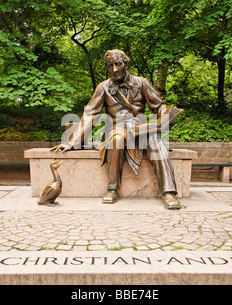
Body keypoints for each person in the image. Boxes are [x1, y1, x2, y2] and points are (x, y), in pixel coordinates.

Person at [52, 49, 182, 209]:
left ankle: (169, 193)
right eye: (110, 66)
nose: (114, 69)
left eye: (118, 64)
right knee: (116, 139)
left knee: (155, 139)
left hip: (140, 129)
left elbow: (158, 105)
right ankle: (112, 188)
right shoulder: (103, 87)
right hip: (116, 130)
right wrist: (73, 142)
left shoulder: (142, 83)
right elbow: (90, 114)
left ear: (125, 63)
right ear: (106, 67)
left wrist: (165, 118)